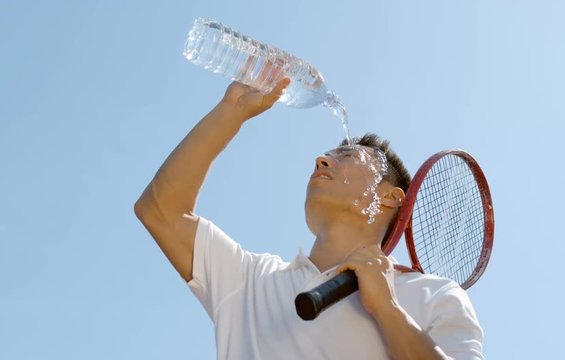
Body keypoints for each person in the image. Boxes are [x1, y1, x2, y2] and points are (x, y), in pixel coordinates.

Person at [134, 79, 484, 359]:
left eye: (347, 155)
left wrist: (387, 310)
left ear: (392, 198)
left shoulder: (433, 296)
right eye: (326, 155)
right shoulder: (251, 280)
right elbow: (160, 210)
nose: (322, 160)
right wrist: (232, 111)